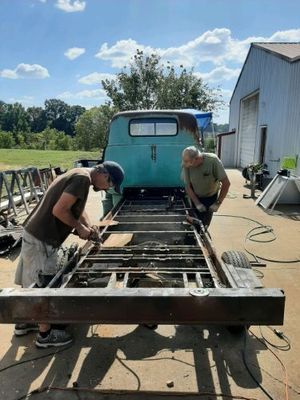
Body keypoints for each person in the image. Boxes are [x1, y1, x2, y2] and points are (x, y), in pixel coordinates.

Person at [14, 161, 124, 348]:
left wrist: (90, 227)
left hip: (37, 234)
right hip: (42, 238)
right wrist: (80, 228)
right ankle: (45, 335)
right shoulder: (82, 179)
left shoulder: (80, 174)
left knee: (29, 279)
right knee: (42, 284)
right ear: (105, 175)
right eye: (111, 184)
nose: (108, 189)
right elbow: (60, 210)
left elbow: (76, 210)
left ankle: (26, 321)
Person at [182, 146, 230, 229]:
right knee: (194, 221)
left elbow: (226, 183)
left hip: (210, 196)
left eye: (189, 163)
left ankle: (203, 233)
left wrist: (218, 203)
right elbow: (187, 186)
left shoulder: (213, 161)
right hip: (195, 195)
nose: (187, 165)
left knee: (205, 223)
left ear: (197, 158)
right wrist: (197, 203)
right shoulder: (186, 164)